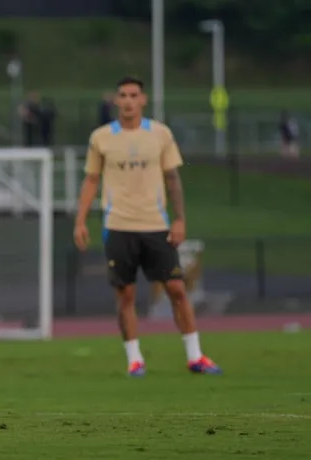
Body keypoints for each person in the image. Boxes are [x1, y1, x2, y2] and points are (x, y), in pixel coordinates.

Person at [73, 76, 222, 378]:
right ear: (117, 100)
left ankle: (195, 356)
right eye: (123, 95)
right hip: (118, 226)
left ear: (143, 100)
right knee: (125, 295)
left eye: (134, 95)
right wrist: (80, 221)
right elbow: (91, 180)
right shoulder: (101, 138)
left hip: (156, 225)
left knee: (177, 289)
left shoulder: (160, 134)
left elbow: (173, 179)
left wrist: (179, 219)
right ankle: (135, 360)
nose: (128, 100)